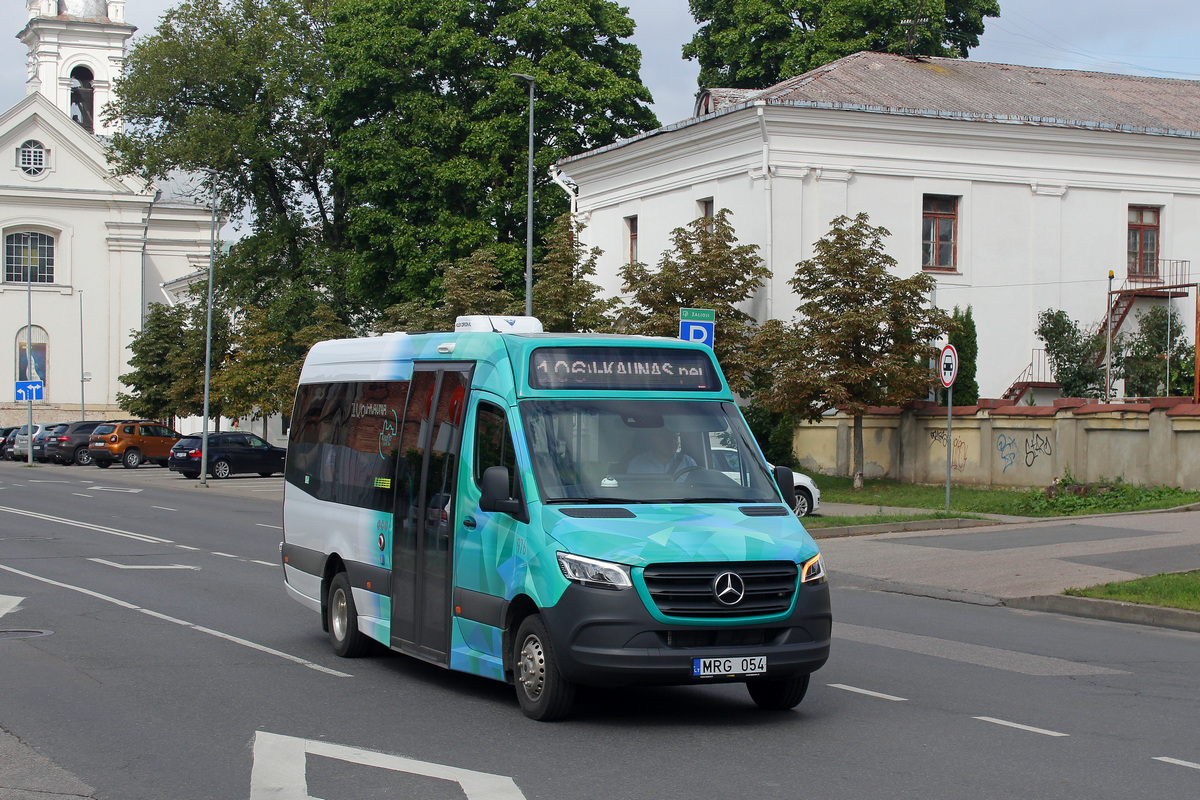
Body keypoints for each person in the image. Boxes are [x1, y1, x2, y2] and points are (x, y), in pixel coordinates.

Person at [627, 428, 696, 475]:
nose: (672, 442)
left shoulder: (688, 462)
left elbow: (696, 488)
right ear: (655, 441)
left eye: (675, 438)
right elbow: (632, 491)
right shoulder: (637, 464)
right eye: (667, 439)